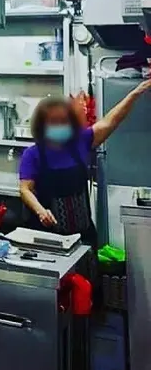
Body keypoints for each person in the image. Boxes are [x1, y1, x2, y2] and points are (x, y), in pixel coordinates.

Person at [19, 80, 151, 249]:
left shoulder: (80, 142)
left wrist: (135, 93)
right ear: (42, 125)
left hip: (83, 238)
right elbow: (25, 189)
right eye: (53, 121)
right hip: (47, 239)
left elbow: (111, 121)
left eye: (64, 121)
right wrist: (41, 211)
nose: (59, 125)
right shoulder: (33, 154)